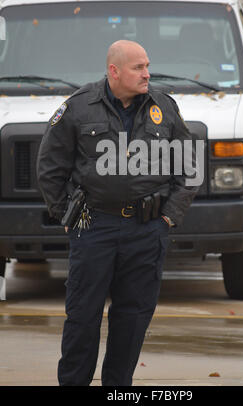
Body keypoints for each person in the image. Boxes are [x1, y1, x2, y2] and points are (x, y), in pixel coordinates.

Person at [37, 40, 199, 386]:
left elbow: (190, 168)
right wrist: (68, 216)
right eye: (138, 67)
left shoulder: (164, 107)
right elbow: (49, 168)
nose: (147, 74)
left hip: (146, 230)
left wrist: (168, 216)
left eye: (147, 66)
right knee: (82, 318)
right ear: (114, 71)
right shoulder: (79, 108)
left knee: (132, 319)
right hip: (94, 226)